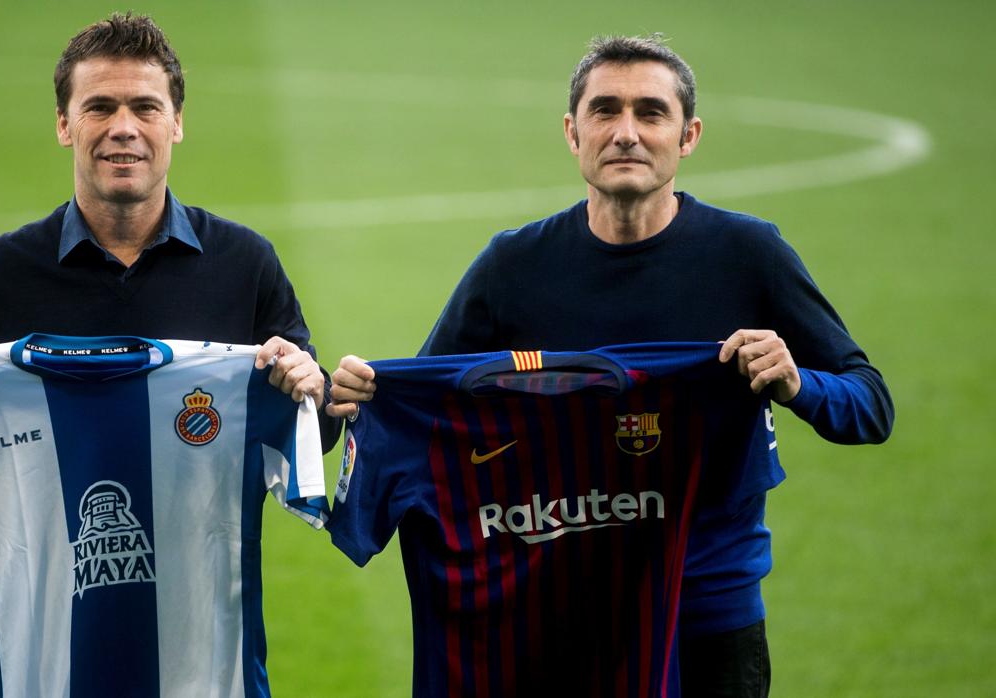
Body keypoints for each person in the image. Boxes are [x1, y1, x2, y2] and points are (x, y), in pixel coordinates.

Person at [330, 34, 894, 697]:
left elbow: (871, 405)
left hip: (706, 615)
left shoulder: (749, 254)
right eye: (605, 111)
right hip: (561, 605)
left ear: (688, 136)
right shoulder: (514, 267)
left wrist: (800, 382)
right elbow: (430, 414)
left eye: (651, 113)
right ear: (573, 132)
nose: (626, 132)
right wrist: (366, 394)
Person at [0, 12, 341, 458]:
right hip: (40, 555)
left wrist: (313, 390)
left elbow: (318, 433)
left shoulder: (244, 264)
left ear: (176, 124)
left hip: (201, 553)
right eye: (100, 108)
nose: (123, 128)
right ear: (65, 125)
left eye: (146, 107)